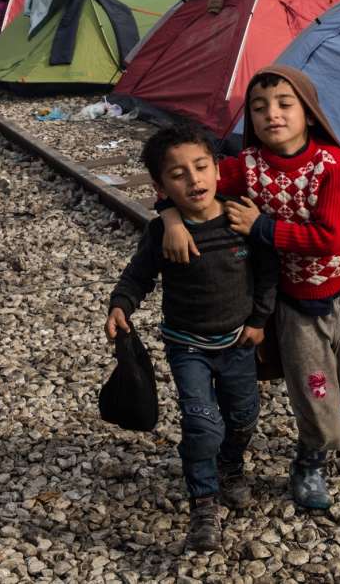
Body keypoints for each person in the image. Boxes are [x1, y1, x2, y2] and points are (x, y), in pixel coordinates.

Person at [159, 66, 340, 511]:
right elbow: (184, 183)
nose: (271, 114)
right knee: (321, 406)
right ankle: (310, 459)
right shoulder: (246, 167)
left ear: (309, 113)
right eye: (259, 108)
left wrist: (261, 227)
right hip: (295, 308)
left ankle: (322, 429)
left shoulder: (331, 165)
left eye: (283, 104)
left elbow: (330, 240)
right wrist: (171, 219)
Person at [106, 122, 277, 551]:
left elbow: (267, 273)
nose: (193, 179)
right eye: (178, 173)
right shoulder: (163, 231)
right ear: (161, 185)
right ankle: (203, 503)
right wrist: (120, 305)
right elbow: (138, 275)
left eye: (201, 166)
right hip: (187, 346)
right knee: (202, 425)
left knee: (242, 418)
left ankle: (231, 468)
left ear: (218, 170)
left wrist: (259, 320)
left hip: (238, 343)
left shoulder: (242, 217)